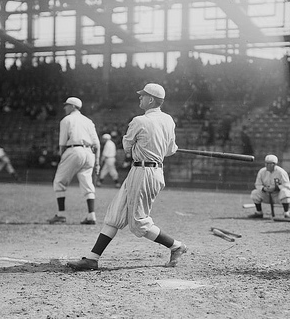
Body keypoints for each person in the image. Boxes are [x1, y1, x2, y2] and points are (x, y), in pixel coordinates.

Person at [67, 83, 187, 270]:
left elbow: (128, 148)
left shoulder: (139, 121)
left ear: (151, 99)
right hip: (149, 171)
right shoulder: (169, 120)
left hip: (144, 172)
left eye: (142, 96)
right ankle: (92, 258)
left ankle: (176, 246)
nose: (140, 98)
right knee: (114, 215)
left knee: (139, 224)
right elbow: (170, 150)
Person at [48, 97, 101, 225]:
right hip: (89, 153)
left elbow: (62, 144)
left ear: (73, 106)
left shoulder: (67, 120)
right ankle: (91, 216)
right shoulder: (88, 121)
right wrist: (97, 162)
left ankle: (61, 215)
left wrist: (62, 158)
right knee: (88, 184)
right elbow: (97, 144)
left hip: (74, 150)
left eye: (67, 105)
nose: (65, 107)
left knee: (59, 182)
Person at [248, 154, 290, 219]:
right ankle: (259, 212)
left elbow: (287, 185)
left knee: (286, 192)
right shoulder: (262, 171)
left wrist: (275, 188)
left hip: (278, 196)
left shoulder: (281, 172)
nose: (266, 165)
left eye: (269, 163)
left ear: (274, 164)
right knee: (255, 193)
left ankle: (286, 213)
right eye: (266, 163)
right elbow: (257, 184)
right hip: (266, 195)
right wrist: (264, 188)